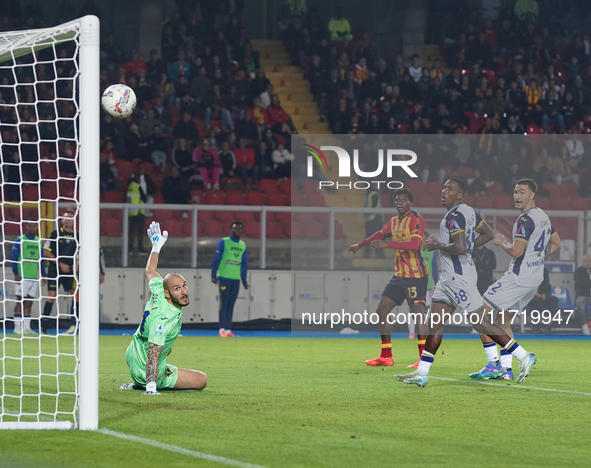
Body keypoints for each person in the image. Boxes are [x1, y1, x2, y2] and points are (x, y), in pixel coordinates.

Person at [396, 179, 539, 387]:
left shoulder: (454, 216)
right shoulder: (469, 212)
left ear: (460, 195)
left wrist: (438, 245)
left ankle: (524, 356)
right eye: (444, 187)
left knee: (479, 322)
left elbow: (461, 248)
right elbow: (488, 234)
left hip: (459, 278)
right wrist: (464, 247)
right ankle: (422, 372)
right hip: (448, 279)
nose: (444, 191)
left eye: (450, 189)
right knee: (434, 324)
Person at [469, 179, 561, 381]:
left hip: (518, 278)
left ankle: (507, 361)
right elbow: (556, 243)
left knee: (478, 316)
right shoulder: (543, 216)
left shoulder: (525, 220)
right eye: (515, 192)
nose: (516, 196)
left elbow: (517, 252)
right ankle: (506, 370)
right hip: (534, 279)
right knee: (503, 321)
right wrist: (536, 258)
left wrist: (503, 243)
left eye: (521, 192)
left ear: (532, 195)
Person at [119, 222, 207, 394]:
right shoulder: (163, 319)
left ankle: (139, 383)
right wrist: (151, 387)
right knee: (202, 380)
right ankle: (144, 383)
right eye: (177, 289)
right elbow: (153, 354)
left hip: (134, 351)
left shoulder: (160, 288)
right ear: (168, 294)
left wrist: (156, 246)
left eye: (184, 285)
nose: (184, 292)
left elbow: (150, 271)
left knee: (166, 347)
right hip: (145, 367)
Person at [347, 189, 429, 368]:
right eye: (397, 200)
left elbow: (415, 245)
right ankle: (386, 356)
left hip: (416, 275)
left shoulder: (416, 219)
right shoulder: (394, 222)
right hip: (399, 275)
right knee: (382, 310)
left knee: (418, 314)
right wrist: (359, 245)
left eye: (404, 200)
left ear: (410, 202)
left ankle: (424, 359)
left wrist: (388, 244)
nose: (399, 202)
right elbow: (379, 234)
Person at [41, 210, 78, 335]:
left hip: (69, 271)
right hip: (55, 270)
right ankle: (43, 326)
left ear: (73, 220)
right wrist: (60, 264)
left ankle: (74, 324)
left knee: (75, 295)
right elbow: (46, 251)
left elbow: (79, 253)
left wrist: (76, 264)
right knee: (51, 296)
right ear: (62, 220)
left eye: (70, 218)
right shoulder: (55, 234)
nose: (67, 220)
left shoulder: (77, 236)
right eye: (65, 217)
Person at [211, 222, 249, 338]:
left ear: (242, 230)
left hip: (235, 279)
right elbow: (217, 258)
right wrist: (214, 274)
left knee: (231, 304)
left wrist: (244, 281)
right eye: (234, 228)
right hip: (224, 277)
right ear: (231, 230)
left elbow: (244, 264)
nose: (237, 230)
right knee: (224, 303)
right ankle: (221, 329)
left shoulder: (243, 245)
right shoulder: (224, 242)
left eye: (239, 229)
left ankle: (228, 330)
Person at [11, 220, 45, 334]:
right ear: (26, 226)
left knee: (30, 302)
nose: (32, 228)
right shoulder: (20, 240)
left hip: (33, 277)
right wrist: (16, 273)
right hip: (22, 276)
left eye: (34, 226)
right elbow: (14, 258)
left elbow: (41, 260)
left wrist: (43, 275)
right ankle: (17, 327)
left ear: (37, 227)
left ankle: (27, 327)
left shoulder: (39, 241)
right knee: (20, 301)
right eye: (30, 226)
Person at [527, 267, 559, 335]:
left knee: (554, 300)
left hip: (542, 295)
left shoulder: (544, 270)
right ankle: (535, 324)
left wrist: (544, 293)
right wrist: (535, 293)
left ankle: (548, 325)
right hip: (530, 296)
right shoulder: (528, 269)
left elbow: (547, 285)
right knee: (538, 301)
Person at [127, 173, 147, 254]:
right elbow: (144, 199)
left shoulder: (130, 186)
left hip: (131, 212)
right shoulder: (138, 187)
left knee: (131, 231)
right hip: (138, 212)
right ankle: (140, 248)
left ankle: (130, 248)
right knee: (139, 232)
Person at [362, 187, 383, 259]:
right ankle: (368, 256)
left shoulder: (373, 194)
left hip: (375, 220)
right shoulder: (370, 195)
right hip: (371, 220)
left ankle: (380, 256)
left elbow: (374, 207)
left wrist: (367, 214)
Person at [574, 255, 591, 336]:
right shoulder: (578, 271)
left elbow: (584, 283)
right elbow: (579, 283)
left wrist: (586, 282)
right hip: (583, 295)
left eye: (589, 261)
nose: (587, 263)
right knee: (581, 304)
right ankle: (584, 326)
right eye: (585, 261)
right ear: (581, 262)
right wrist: (588, 282)